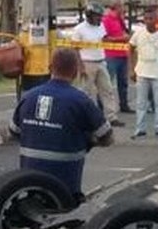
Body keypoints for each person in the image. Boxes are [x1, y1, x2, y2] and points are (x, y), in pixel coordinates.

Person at [13, 47, 113, 198]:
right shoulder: (81, 101)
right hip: (65, 182)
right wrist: (89, 141)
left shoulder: (28, 97)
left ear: (50, 68)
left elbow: (13, 132)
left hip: (28, 179)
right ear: (75, 72)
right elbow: (107, 137)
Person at [70, 2, 123, 128]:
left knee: (107, 90)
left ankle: (111, 117)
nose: (99, 18)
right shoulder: (79, 29)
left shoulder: (100, 26)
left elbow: (104, 39)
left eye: (100, 16)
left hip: (101, 61)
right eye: (97, 16)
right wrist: (80, 66)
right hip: (87, 62)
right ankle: (89, 118)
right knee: (87, 93)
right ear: (89, 15)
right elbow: (75, 49)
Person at [129, 6, 158, 140]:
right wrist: (132, 69)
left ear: (156, 19)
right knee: (141, 103)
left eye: (151, 18)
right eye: (146, 19)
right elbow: (130, 48)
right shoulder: (138, 33)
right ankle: (140, 129)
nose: (148, 21)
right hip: (142, 71)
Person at [102, 0, 133, 113]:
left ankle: (124, 104)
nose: (124, 9)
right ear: (117, 7)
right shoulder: (106, 20)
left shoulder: (120, 20)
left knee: (123, 81)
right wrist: (121, 39)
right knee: (108, 81)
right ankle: (104, 105)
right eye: (122, 7)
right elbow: (105, 38)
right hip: (111, 54)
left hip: (123, 53)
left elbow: (124, 32)